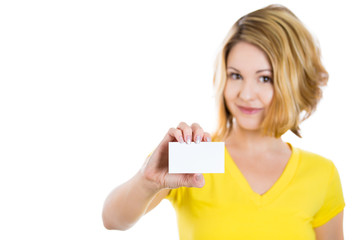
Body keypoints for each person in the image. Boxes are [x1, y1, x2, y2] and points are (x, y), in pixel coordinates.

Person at [102, 4, 345, 239]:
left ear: (294, 81)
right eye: (236, 75)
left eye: (265, 78)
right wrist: (147, 180)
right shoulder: (194, 157)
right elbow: (113, 220)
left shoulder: (322, 175)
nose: (246, 94)